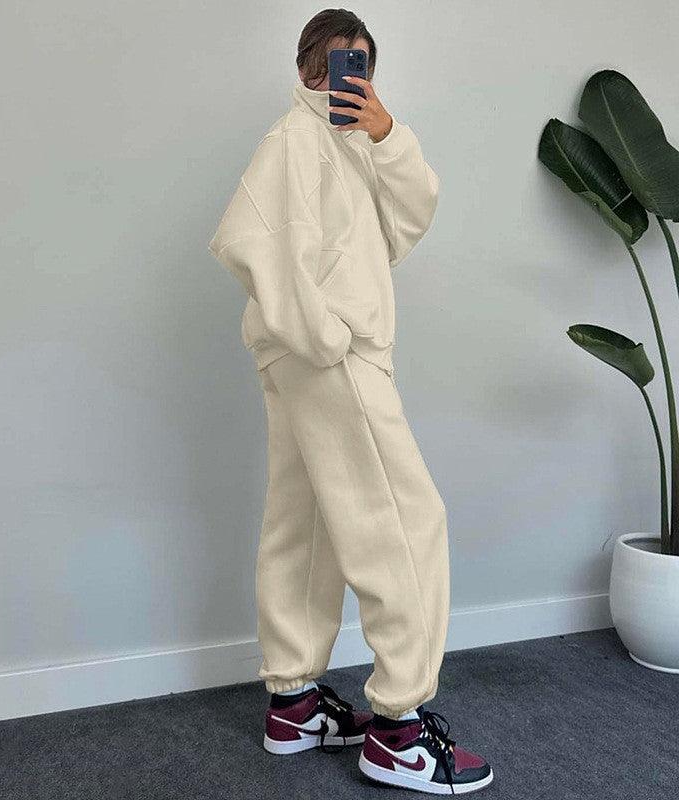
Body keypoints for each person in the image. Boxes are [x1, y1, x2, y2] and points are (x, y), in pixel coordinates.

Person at [207, 9, 493, 795]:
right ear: (304, 67)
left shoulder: (350, 143)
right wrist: (327, 337)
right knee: (403, 519)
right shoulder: (293, 140)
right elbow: (246, 239)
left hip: (309, 354)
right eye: (332, 62)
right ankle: (399, 729)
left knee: (307, 522)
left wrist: (386, 132)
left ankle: (294, 704)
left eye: (358, 63)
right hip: (329, 355)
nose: (342, 77)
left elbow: (407, 221)